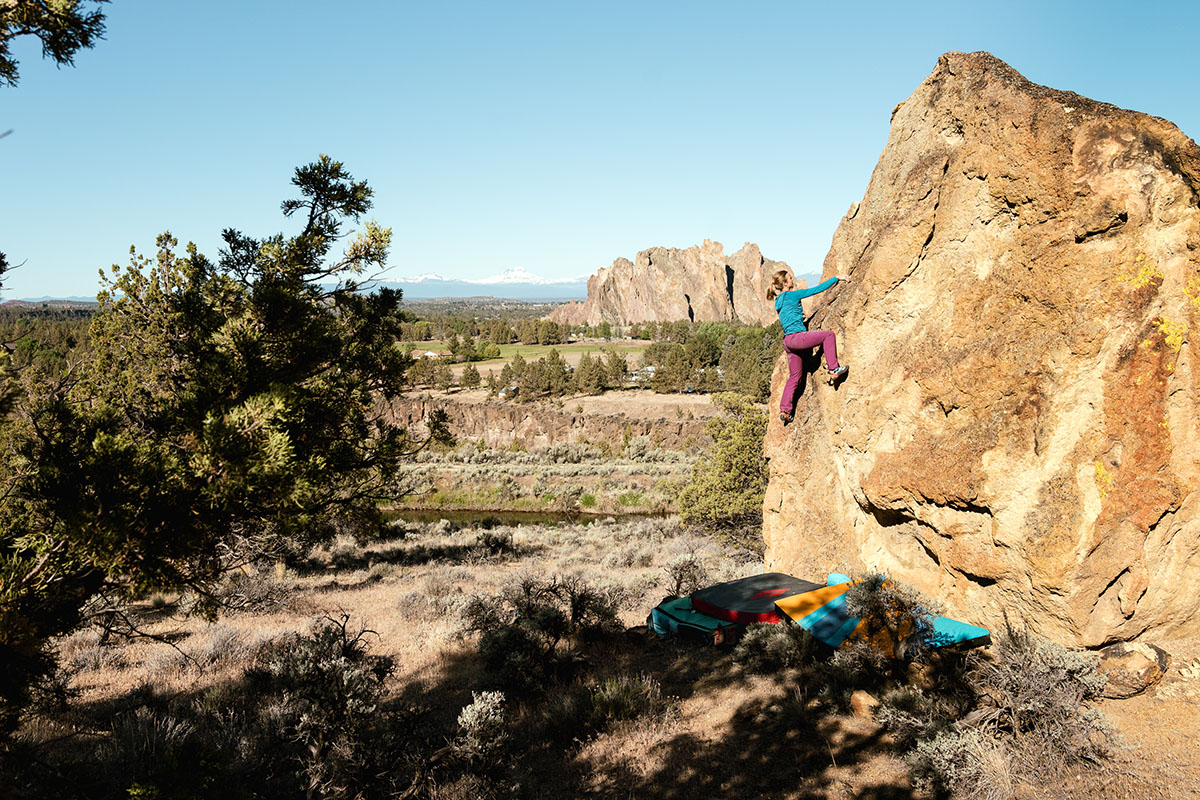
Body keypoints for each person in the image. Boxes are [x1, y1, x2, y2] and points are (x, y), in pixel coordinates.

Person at [767, 269, 848, 424]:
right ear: (785, 283)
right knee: (828, 335)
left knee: (794, 377)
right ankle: (834, 369)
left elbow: (789, 314)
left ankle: (785, 410)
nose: (792, 279)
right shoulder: (792, 294)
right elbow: (815, 290)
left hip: (788, 343)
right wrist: (836, 278)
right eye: (790, 278)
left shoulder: (778, 301)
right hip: (798, 338)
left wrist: (799, 315)